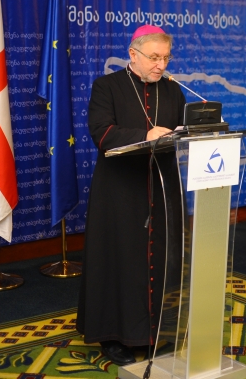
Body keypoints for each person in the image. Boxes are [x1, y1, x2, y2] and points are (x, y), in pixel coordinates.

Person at [76, 25, 186, 366]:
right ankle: (113, 334)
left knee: (160, 258)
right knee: (119, 259)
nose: (161, 65)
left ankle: (156, 331)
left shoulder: (173, 90)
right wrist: (146, 134)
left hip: (162, 186)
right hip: (120, 190)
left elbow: (183, 130)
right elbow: (101, 132)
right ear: (133, 55)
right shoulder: (107, 86)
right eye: (153, 57)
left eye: (166, 58)